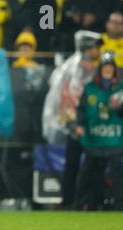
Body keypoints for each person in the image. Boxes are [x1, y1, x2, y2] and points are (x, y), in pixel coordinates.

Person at [42, 30, 102, 209]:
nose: (98, 50)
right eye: (96, 47)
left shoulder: (86, 66)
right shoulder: (77, 68)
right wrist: (74, 125)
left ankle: (83, 200)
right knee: (77, 165)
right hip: (79, 126)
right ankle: (73, 200)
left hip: (90, 124)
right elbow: (67, 99)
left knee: (87, 165)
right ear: (88, 47)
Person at [74, 53, 123, 210]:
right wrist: (79, 125)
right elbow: (81, 109)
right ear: (100, 69)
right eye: (105, 67)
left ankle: (118, 205)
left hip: (113, 138)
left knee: (116, 172)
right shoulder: (90, 88)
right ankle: (84, 203)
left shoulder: (120, 89)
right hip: (93, 136)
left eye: (110, 68)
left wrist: (119, 107)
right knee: (89, 171)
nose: (108, 70)